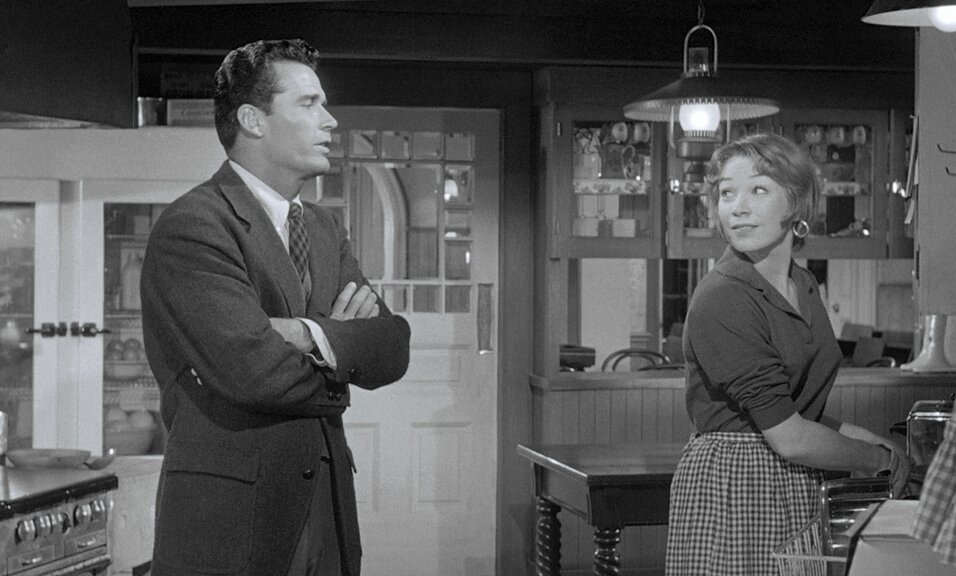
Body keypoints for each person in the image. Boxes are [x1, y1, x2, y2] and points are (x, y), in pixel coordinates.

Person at [140, 39, 410, 576]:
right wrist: (341, 355)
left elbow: (392, 348)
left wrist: (308, 334)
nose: (330, 120)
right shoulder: (195, 225)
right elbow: (255, 374)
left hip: (327, 512)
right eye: (309, 104)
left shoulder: (323, 228)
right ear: (252, 120)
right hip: (230, 524)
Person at [665, 132, 911, 575]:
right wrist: (874, 459)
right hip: (737, 489)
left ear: (796, 202)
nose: (738, 207)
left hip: (791, 480)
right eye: (727, 193)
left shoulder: (804, 285)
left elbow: (794, 409)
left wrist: (864, 437)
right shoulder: (725, 296)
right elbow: (790, 437)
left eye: (758, 190)